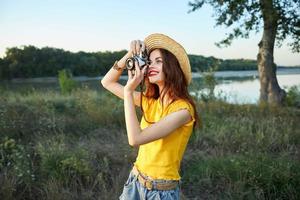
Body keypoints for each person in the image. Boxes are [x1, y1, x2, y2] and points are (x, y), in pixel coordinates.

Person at [101, 33, 199, 200]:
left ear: (172, 67)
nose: (151, 66)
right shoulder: (149, 101)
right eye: (149, 61)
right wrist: (130, 54)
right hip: (135, 181)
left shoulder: (183, 111)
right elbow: (107, 82)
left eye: (158, 61)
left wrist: (128, 90)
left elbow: (135, 139)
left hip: (161, 192)